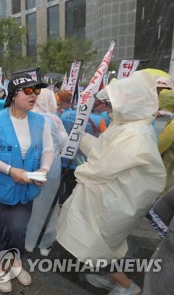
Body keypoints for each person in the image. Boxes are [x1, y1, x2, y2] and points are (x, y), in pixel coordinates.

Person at [56, 71, 166, 295]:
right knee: (103, 245)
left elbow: (102, 167)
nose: (107, 108)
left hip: (113, 202)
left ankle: (127, 286)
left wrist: (80, 168)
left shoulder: (135, 133)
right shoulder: (128, 124)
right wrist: (81, 138)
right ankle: (109, 277)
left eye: (111, 103)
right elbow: (103, 151)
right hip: (109, 198)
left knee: (102, 245)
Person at [0, 74, 54, 293]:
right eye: (28, 91)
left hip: (25, 191)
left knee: (19, 230)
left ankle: (16, 263)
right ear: (13, 94)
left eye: (36, 91)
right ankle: (1, 267)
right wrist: (10, 170)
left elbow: (48, 150)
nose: (34, 96)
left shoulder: (40, 122)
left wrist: (43, 170)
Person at [25, 88, 68, 256]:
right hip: (50, 171)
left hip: (28, 170)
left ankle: (28, 242)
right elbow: (62, 143)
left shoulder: (25, 117)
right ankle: (45, 242)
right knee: (49, 207)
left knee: (30, 207)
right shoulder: (53, 120)